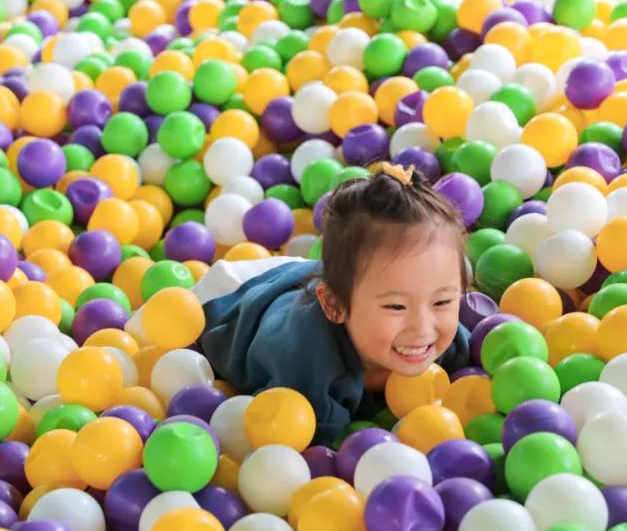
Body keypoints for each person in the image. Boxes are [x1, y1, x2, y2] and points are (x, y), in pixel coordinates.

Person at [196, 162, 470, 444]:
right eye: (396, 307)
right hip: (231, 296)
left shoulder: (441, 331)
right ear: (335, 306)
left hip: (311, 277)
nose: (423, 328)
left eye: (442, 301)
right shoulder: (308, 380)